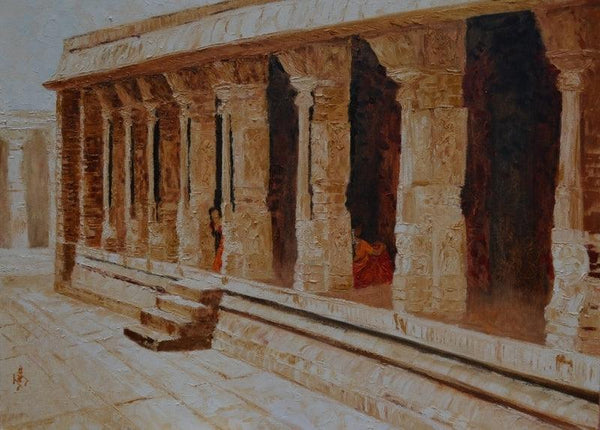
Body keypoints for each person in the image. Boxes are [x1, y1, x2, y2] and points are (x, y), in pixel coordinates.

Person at [352, 223, 394, 289]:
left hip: (354, 265)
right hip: (360, 268)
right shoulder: (362, 243)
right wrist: (383, 246)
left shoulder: (351, 241)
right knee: (379, 259)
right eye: (359, 229)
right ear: (357, 230)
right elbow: (376, 253)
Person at [209, 207, 223, 272]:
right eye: (213, 213)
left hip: (221, 243)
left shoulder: (221, 222)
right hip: (215, 243)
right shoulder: (211, 224)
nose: (214, 214)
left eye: (216, 213)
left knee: (219, 258)